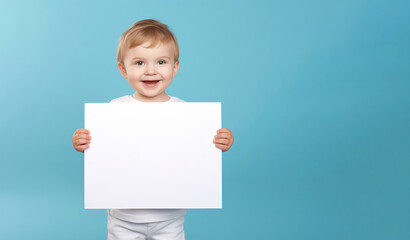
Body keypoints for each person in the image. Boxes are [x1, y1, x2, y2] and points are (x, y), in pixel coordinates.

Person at [72, 19, 234, 240]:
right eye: (139, 63)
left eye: (161, 62)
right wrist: (82, 143)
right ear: (123, 69)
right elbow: (101, 152)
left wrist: (221, 142)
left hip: (170, 218)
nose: (150, 71)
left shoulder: (186, 113)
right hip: (123, 218)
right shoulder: (114, 110)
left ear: (175, 67)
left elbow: (199, 152)